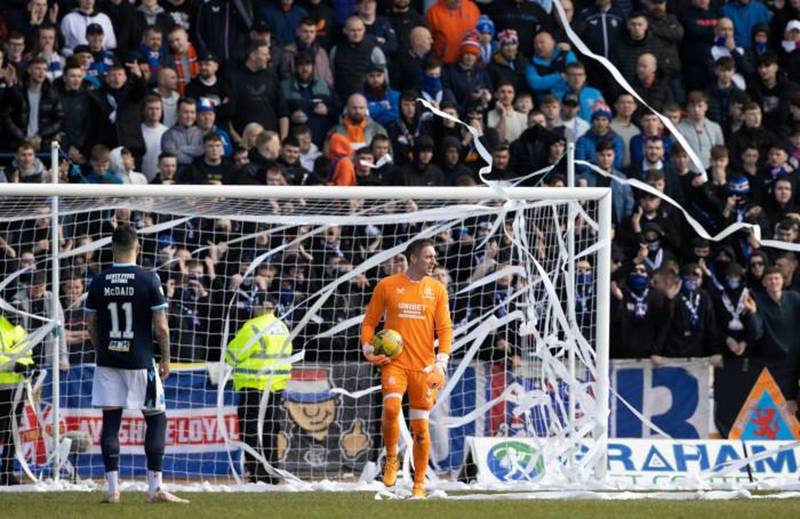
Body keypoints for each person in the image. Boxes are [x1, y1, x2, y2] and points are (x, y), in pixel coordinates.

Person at [85, 224, 188, 504]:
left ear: (112, 248)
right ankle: (155, 488)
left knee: (111, 423)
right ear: (138, 246)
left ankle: (112, 490)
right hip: (141, 361)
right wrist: (165, 358)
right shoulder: (149, 278)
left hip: (108, 362)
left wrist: (101, 349)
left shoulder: (98, 281)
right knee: (156, 419)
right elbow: (162, 327)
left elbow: (90, 324)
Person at [360, 239, 453, 499]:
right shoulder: (388, 285)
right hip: (394, 363)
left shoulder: (437, 289)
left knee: (420, 429)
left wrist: (441, 364)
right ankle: (391, 459)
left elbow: (445, 329)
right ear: (413, 258)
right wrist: (368, 348)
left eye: (434, 256)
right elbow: (369, 322)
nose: (433, 261)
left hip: (424, 368)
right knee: (390, 409)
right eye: (428, 256)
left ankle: (419, 484)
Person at [224, 295, 292, 484]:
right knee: (270, 429)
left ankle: (257, 473)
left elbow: (231, 355)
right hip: (276, 387)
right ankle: (272, 471)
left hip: (254, 386)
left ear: (258, 308)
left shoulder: (253, 327)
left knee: (251, 431)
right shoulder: (282, 327)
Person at [0, 313, 31, 486]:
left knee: (12, 433)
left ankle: (7, 472)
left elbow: (28, 352)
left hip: (17, 389)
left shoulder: (21, 330)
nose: (17, 316)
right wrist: (15, 365)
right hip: (1, 388)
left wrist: (30, 365)